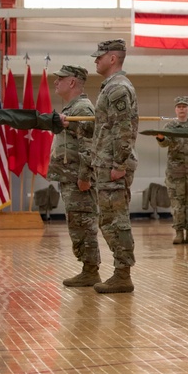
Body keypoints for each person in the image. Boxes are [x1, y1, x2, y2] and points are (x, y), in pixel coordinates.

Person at [89, 38, 138, 294]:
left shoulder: (118, 88)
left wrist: (119, 163)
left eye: (99, 56)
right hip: (106, 164)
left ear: (112, 58)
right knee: (108, 219)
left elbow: (123, 130)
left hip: (113, 166)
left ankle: (122, 274)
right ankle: (120, 272)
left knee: (116, 220)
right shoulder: (110, 87)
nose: (96, 60)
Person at [47, 64, 101, 288]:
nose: (55, 82)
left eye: (60, 79)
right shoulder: (73, 108)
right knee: (77, 223)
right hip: (70, 177)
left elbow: (88, 146)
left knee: (83, 223)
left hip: (78, 178)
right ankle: (87, 268)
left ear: (72, 82)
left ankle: (90, 270)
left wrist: (85, 175)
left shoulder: (82, 109)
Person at [156, 96, 188, 245]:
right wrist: (160, 138)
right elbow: (165, 144)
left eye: (184, 106)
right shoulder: (169, 127)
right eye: (179, 106)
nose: (182, 109)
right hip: (175, 171)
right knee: (177, 203)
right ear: (175, 109)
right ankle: (179, 232)